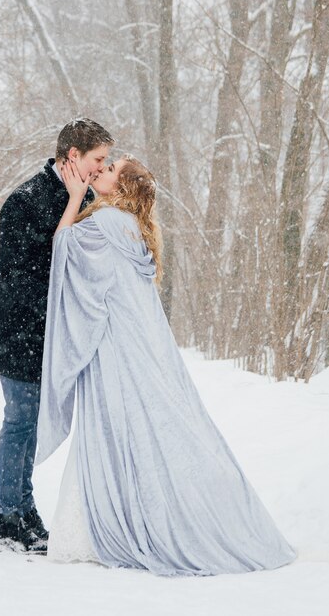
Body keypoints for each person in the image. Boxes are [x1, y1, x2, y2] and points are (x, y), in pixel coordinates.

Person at [35, 154, 298, 576]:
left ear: (121, 188)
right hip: (134, 345)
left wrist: (72, 197)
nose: (100, 171)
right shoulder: (129, 226)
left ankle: (141, 517)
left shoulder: (106, 225)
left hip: (117, 349)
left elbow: (63, 247)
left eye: (109, 170)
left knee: (121, 430)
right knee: (145, 431)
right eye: (103, 165)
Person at [0, 118, 114, 553]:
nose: (102, 167)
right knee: (19, 420)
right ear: (72, 156)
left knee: (33, 423)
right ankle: (8, 519)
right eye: (98, 159)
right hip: (16, 331)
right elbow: (31, 275)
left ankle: (25, 508)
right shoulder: (25, 201)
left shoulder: (86, 198)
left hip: (52, 335)